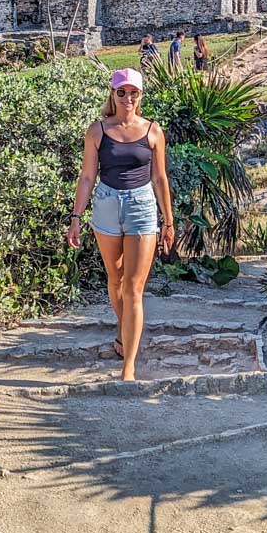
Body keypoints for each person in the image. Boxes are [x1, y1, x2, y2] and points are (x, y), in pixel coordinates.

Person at [67, 68, 174, 381]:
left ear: (141, 96)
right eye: (122, 92)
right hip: (107, 205)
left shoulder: (153, 131)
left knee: (134, 287)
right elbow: (87, 176)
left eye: (133, 93)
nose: (128, 98)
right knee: (115, 280)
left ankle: (128, 366)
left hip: (142, 205)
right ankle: (125, 330)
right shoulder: (97, 130)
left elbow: (159, 177)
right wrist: (76, 218)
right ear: (112, 95)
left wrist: (168, 220)